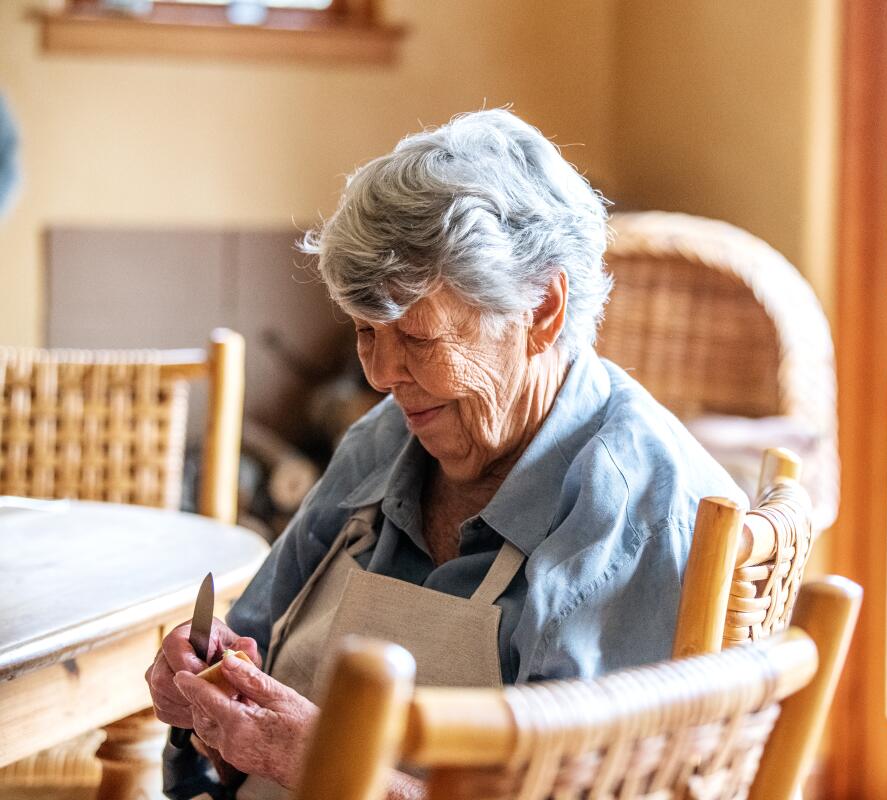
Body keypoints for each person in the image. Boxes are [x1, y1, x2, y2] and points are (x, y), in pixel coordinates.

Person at [145, 108, 742, 799]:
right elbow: (250, 651)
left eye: (418, 338)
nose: (381, 375)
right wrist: (208, 681)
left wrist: (325, 762)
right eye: (367, 332)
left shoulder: (634, 511)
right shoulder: (387, 439)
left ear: (541, 311)